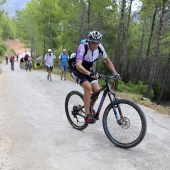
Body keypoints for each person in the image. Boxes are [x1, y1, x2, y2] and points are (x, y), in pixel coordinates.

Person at [70, 31, 120, 123]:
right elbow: (78, 66)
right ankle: (87, 115)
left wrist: (115, 73)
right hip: (77, 70)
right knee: (88, 88)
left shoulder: (99, 47)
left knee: (97, 91)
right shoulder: (83, 47)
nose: (95, 45)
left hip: (89, 71)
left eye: (97, 43)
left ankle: (89, 109)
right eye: (93, 42)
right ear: (89, 41)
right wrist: (89, 74)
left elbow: (107, 60)